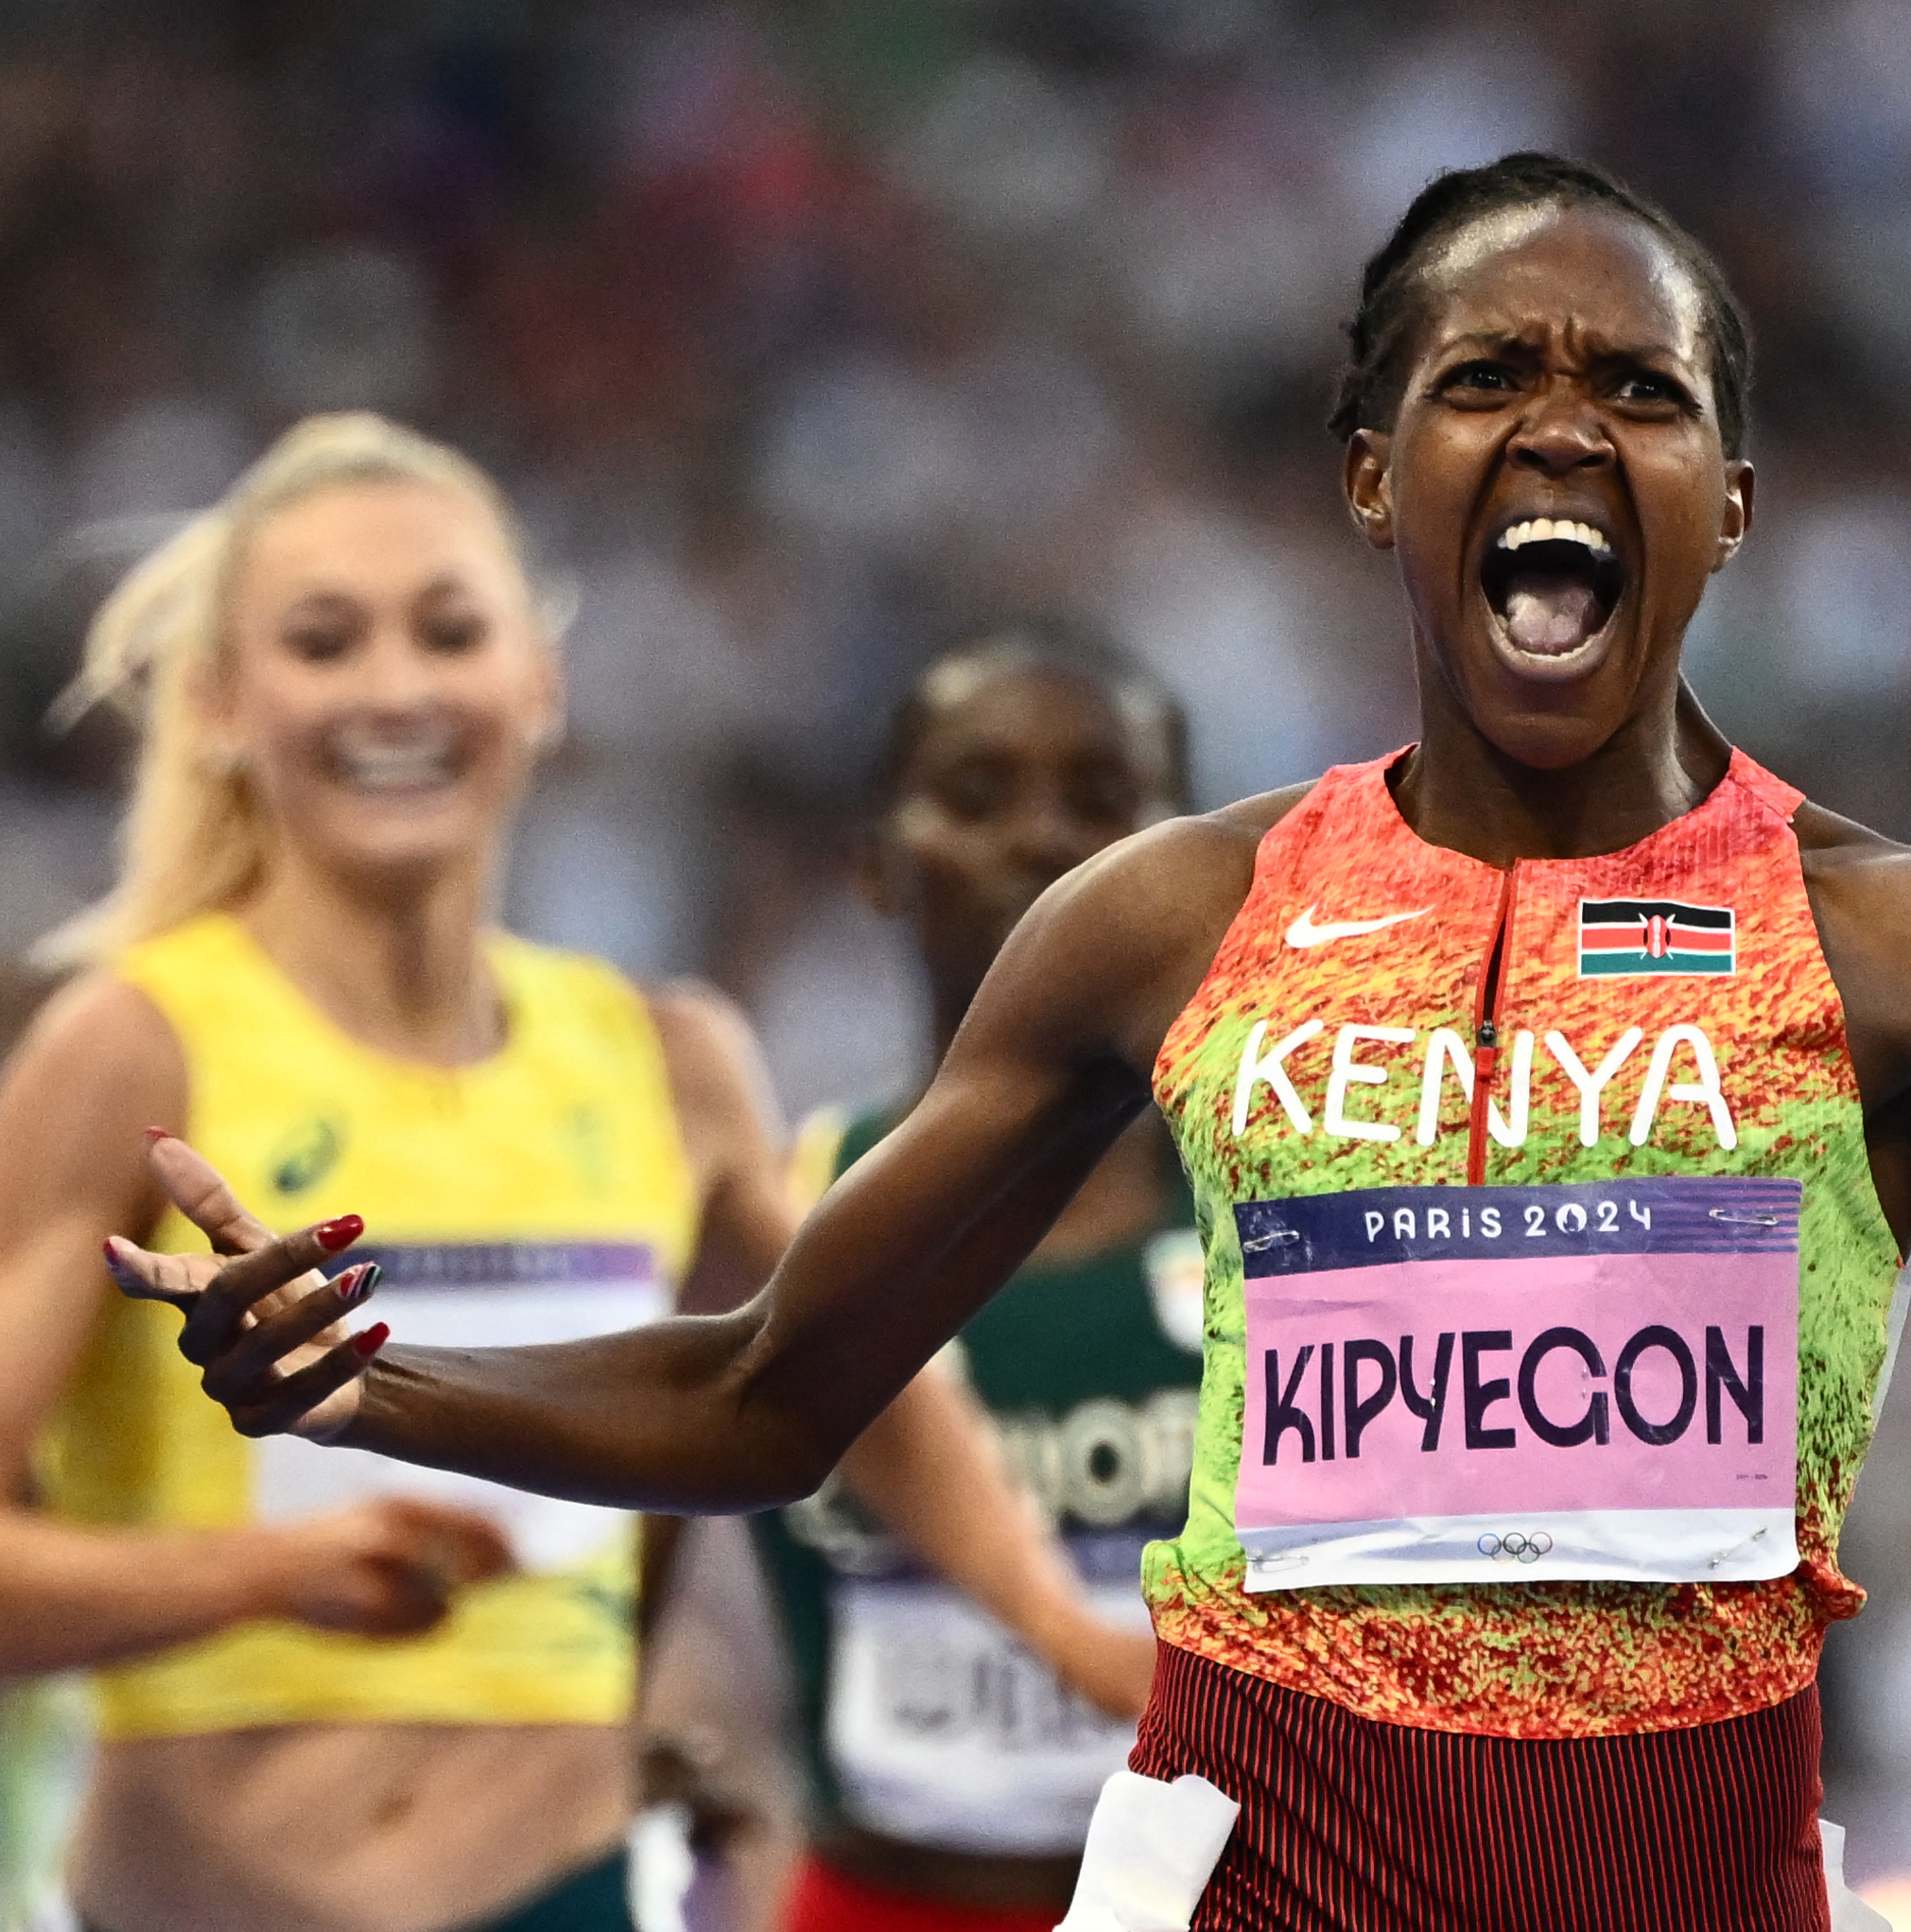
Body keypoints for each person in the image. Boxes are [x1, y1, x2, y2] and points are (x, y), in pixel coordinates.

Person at [114, 158, 1911, 1930]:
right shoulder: (1156, 928)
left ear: (1729, 495)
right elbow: (762, 1387)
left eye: (1636, 388)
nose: (1562, 425)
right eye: (1487, 378)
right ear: (1368, 468)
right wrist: (377, 1383)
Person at [0, 412, 1111, 1932]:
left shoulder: (659, 1062)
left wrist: (1062, 1626)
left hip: (571, 1893)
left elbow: (857, 1374)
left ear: (539, 678)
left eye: (448, 632)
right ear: (217, 704)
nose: (394, 687)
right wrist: (263, 1577)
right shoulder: (135, 1051)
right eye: (325, 643)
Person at [756, 629, 1198, 1932]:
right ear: (876, 863)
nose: (1042, 840)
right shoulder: (782, 1208)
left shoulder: (1290, 1215)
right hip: (886, 1902)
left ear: (1202, 867)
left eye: (1104, 800)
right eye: (974, 793)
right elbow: (622, 1593)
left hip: (1224, 1899)